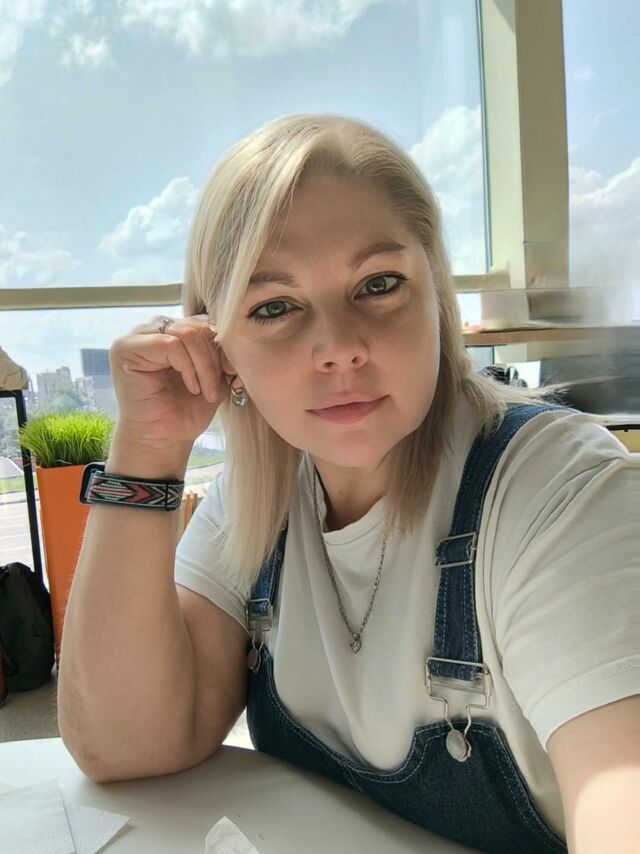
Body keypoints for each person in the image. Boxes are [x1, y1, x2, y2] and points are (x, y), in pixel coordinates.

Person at [58, 114, 638, 854]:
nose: (338, 348)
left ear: (437, 298)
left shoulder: (560, 494)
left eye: (378, 285)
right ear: (220, 349)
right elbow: (124, 743)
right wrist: (147, 450)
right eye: (274, 307)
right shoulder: (257, 499)